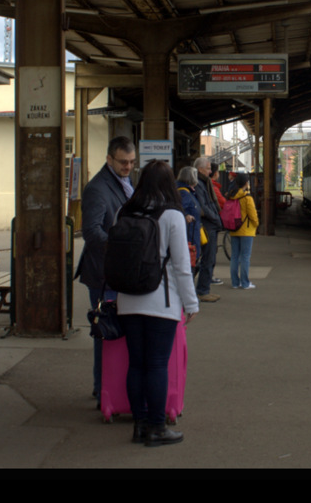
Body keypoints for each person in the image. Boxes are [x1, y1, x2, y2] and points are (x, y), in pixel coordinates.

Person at [115, 160, 199, 446]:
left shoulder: (124, 211)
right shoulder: (172, 216)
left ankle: (139, 426)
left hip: (127, 300)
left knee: (136, 364)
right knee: (157, 364)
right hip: (160, 303)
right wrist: (191, 303)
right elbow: (181, 266)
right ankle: (157, 428)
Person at [76, 136, 136, 403]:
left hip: (117, 271)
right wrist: (121, 245)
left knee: (114, 332)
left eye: (132, 162)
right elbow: (91, 232)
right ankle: (102, 389)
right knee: (105, 332)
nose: (128, 167)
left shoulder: (123, 182)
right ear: (109, 159)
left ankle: (108, 386)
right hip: (103, 273)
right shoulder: (97, 188)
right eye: (123, 162)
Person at [176, 166, 215, 302]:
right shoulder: (185, 194)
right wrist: (186, 215)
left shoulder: (186, 192)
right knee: (190, 265)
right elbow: (179, 209)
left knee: (192, 264)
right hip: (190, 236)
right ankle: (186, 297)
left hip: (192, 234)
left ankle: (188, 295)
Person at [192, 157, 222, 298]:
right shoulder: (198, 184)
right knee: (207, 259)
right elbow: (203, 206)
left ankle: (203, 289)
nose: (210, 171)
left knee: (208, 259)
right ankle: (202, 291)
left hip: (210, 225)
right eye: (208, 168)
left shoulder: (205, 183)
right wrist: (216, 218)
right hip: (207, 225)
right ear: (200, 169)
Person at [225, 173, 259, 290]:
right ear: (246, 183)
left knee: (235, 256)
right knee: (245, 257)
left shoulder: (231, 196)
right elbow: (253, 215)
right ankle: (245, 283)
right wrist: (256, 224)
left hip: (234, 229)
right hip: (246, 231)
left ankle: (235, 283)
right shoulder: (247, 197)